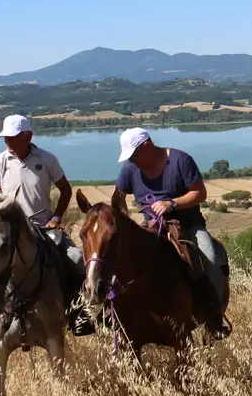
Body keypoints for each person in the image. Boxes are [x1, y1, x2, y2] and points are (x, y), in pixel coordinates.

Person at [0, 114, 89, 339]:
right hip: (9, 228)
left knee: (76, 258)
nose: (7, 142)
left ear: (28, 136)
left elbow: (66, 190)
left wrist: (57, 218)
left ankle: (78, 313)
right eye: (5, 138)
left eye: (12, 137)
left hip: (43, 226)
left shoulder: (47, 159)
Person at [97, 127, 230, 340]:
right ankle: (111, 312)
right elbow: (118, 195)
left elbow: (200, 193)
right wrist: (123, 221)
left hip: (188, 225)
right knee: (117, 257)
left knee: (210, 256)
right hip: (150, 225)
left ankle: (214, 317)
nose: (132, 161)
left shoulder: (180, 161)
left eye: (134, 155)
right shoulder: (130, 168)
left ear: (147, 146)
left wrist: (172, 203)